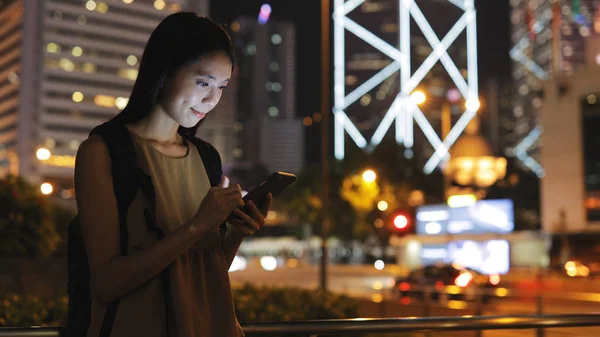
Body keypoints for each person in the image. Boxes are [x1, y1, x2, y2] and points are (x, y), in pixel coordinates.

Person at [73, 12, 270, 337]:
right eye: (203, 82)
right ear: (164, 72)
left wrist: (236, 233)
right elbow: (107, 283)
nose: (212, 99)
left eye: (221, 86)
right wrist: (196, 225)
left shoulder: (206, 157)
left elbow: (204, 269)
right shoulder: (104, 152)